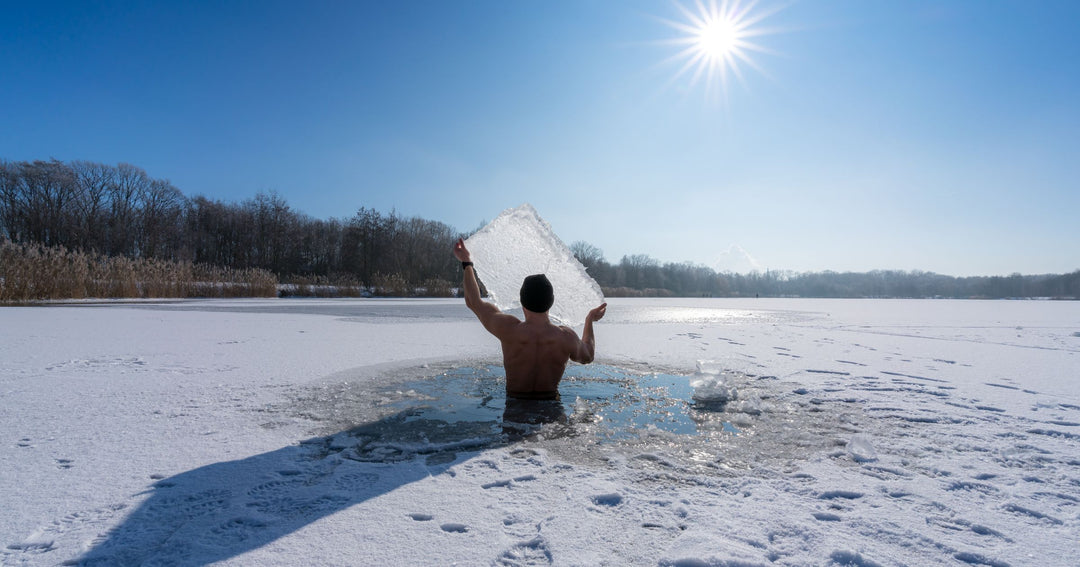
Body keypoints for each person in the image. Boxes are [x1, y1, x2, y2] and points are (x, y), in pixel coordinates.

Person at [453, 238, 606, 401]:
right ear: (551, 302)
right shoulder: (566, 337)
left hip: (515, 407)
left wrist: (467, 262)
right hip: (550, 407)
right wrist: (589, 319)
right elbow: (588, 356)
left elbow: (473, 302)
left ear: (522, 301)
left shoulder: (509, 329)